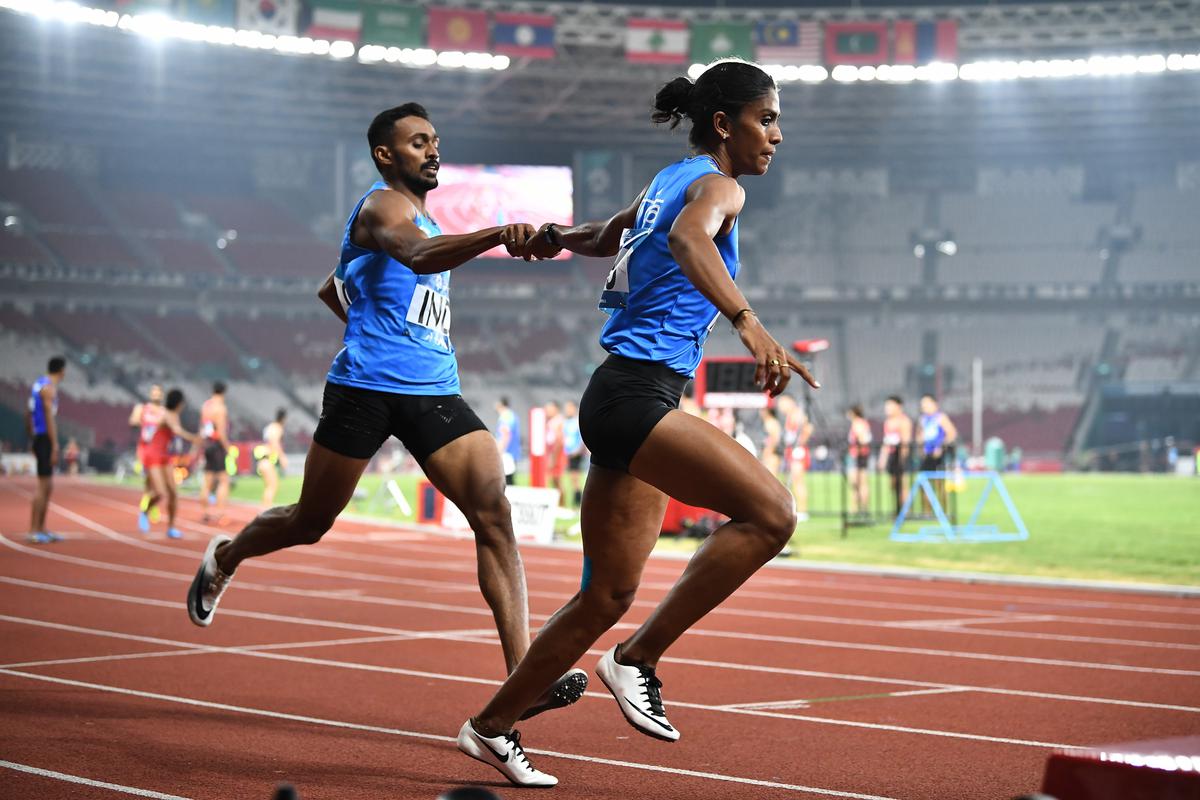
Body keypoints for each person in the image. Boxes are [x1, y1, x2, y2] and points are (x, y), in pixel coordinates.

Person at [457, 60, 818, 787]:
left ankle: (490, 726)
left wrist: (556, 236)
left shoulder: (665, 180)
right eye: (767, 118)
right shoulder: (720, 187)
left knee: (606, 595)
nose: (777, 135)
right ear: (724, 123)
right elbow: (690, 241)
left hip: (622, 396)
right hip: (636, 399)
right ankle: (638, 658)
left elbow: (608, 234)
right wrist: (749, 325)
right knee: (773, 515)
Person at [186, 103, 586, 718]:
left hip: (433, 390)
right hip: (366, 389)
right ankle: (226, 557)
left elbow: (332, 286)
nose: (433, 150)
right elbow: (420, 258)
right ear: (385, 154)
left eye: (435, 141)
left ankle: (522, 679)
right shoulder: (381, 208)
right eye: (418, 141)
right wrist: (495, 234)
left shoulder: (424, 216)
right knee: (309, 521)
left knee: (494, 513)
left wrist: (380, 322)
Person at [140, 388, 200, 540]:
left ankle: (171, 527)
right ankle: (145, 512)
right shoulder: (165, 414)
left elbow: (174, 436)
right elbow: (176, 430)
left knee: (173, 492)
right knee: (160, 492)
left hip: (166, 456)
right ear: (178, 403)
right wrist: (193, 438)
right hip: (153, 455)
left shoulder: (175, 415)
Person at [26, 356, 66, 543]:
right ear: (62, 370)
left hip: (39, 437)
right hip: (45, 438)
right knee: (43, 486)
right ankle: (34, 530)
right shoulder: (49, 388)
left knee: (47, 486)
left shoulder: (38, 384)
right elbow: (49, 418)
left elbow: (28, 413)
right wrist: (55, 444)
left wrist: (32, 437)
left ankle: (41, 528)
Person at [131, 384, 165, 531]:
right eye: (153, 391)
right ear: (150, 394)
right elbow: (132, 422)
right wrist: (139, 418)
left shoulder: (164, 412)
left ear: (162, 395)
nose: (156, 394)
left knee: (155, 484)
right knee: (149, 483)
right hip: (145, 450)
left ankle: (151, 506)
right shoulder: (143, 408)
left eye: (158, 392)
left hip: (160, 451)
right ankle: (147, 510)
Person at [917, 394, 958, 513]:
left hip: (939, 456)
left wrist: (940, 447)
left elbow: (951, 434)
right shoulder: (922, 419)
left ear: (934, 404)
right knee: (924, 483)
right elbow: (919, 435)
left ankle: (943, 510)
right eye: (922, 404)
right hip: (927, 456)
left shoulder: (941, 417)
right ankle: (927, 511)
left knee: (940, 483)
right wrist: (920, 447)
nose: (924, 406)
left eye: (926, 403)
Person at [199, 381, 232, 524]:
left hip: (207, 444)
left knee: (207, 482)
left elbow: (204, 427)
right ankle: (220, 513)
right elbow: (221, 431)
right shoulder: (220, 408)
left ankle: (205, 512)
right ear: (223, 392)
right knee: (223, 481)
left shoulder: (206, 406)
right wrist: (227, 447)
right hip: (217, 445)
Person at [776, 394, 812, 522]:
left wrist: (800, 443)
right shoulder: (789, 416)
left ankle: (803, 511)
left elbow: (808, 428)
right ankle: (795, 509)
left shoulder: (797, 414)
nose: (781, 407)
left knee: (798, 481)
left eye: (783, 403)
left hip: (798, 451)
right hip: (791, 451)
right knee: (791, 481)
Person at [879, 395, 913, 518]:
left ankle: (906, 511)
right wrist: (882, 459)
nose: (887, 408)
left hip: (901, 456)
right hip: (892, 456)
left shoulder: (904, 421)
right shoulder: (887, 422)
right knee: (893, 484)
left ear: (898, 406)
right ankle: (897, 508)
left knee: (903, 484)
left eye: (890, 405)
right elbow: (886, 443)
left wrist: (902, 459)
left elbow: (905, 442)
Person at [255, 408, 288, 508]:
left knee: (269, 486)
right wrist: (282, 457)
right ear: (284, 419)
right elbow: (275, 442)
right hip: (267, 460)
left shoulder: (270, 427)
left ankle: (264, 510)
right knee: (272, 486)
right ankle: (265, 511)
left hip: (263, 460)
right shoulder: (277, 427)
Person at [846, 404, 872, 515]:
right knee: (860, 483)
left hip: (857, 456)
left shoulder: (858, 423)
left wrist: (858, 450)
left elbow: (863, 439)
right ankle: (860, 508)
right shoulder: (862, 422)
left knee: (857, 483)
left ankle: (858, 508)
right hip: (861, 455)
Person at [561, 400, 586, 508]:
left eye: (569, 408)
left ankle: (578, 500)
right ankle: (576, 500)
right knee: (572, 478)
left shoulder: (577, 421)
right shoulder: (567, 422)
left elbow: (582, 438)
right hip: (569, 453)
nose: (567, 410)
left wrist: (578, 450)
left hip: (576, 454)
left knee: (575, 478)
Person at [494, 397, 521, 486]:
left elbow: (505, 435)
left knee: (506, 481)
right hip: (512, 452)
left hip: (507, 453)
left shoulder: (505, 416)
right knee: (509, 479)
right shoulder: (512, 415)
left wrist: (499, 452)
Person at [543, 400, 565, 499]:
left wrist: (553, 457)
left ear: (556, 409)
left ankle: (561, 504)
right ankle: (559, 503)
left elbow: (559, 441)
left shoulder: (557, 422)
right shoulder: (551, 421)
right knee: (554, 479)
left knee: (556, 479)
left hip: (557, 453)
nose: (547, 410)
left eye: (549, 408)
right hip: (552, 452)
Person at [758, 404, 782, 476]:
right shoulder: (767, 422)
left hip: (772, 455)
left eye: (762, 410)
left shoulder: (771, 422)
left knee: (771, 477)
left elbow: (775, 439)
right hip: (769, 454)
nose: (760, 412)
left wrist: (767, 453)